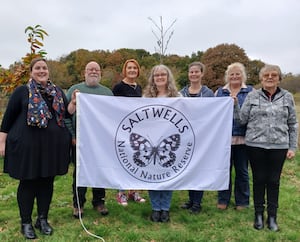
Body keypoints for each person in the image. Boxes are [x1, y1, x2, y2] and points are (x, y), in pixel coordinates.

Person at [0, 58, 76, 239]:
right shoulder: (22, 91)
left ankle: (42, 219)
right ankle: (25, 221)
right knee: (28, 182)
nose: (42, 70)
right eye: (37, 68)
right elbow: (8, 118)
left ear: (48, 71)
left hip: (52, 148)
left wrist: (73, 102)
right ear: (31, 71)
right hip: (28, 147)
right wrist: (1, 142)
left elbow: (66, 112)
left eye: (44, 68)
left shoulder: (56, 91)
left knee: (47, 182)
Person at [234, 64, 298, 231]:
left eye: (274, 75)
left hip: (279, 146)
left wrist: (292, 147)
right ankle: (258, 215)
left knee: (274, 181)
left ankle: (272, 217)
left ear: (279, 78)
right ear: (261, 78)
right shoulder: (252, 96)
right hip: (256, 145)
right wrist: (234, 105)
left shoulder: (287, 97)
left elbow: (292, 124)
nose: (270, 77)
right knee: (259, 179)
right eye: (266, 75)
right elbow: (242, 120)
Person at [65, 61, 113, 218]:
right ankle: (78, 204)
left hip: (100, 142)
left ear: (100, 73)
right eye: (90, 69)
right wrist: (72, 136)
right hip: (80, 141)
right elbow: (66, 115)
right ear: (84, 73)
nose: (93, 72)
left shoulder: (107, 93)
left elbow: (112, 117)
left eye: (96, 70)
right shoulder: (74, 90)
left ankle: (99, 201)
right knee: (79, 173)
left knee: (100, 170)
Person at [143, 64, 181, 222]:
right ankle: (155, 208)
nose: (159, 77)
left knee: (167, 175)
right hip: (151, 141)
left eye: (162, 75)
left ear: (168, 77)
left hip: (169, 143)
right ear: (152, 78)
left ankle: (165, 208)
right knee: (152, 175)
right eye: (156, 75)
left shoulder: (177, 97)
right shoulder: (146, 98)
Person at [215, 62, 253, 210]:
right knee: (224, 171)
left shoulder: (250, 92)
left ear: (243, 75)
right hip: (224, 140)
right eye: (232, 74)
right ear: (227, 76)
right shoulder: (220, 92)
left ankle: (242, 201)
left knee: (242, 171)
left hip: (244, 139)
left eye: (238, 73)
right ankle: (223, 199)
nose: (235, 76)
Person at [179, 61, 214, 214]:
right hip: (185, 137)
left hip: (202, 137)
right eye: (191, 72)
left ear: (202, 73)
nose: (193, 74)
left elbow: (214, 113)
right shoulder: (181, 93)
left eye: (196, 72)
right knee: (188, 168)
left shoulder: (208, 93)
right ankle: (191, 200)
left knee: (199, 169)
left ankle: (197, 203)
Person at [112, 59, 146, 206]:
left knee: (137, 160)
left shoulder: (139, 88)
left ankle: (134, 191)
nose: (132, 70)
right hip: (123, 129)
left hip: (137, 130)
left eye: (134, 68)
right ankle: (121, 193)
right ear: (124, 70)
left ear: (138, 71)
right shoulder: (118, 87)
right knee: (123, 160)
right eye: (129, 68)